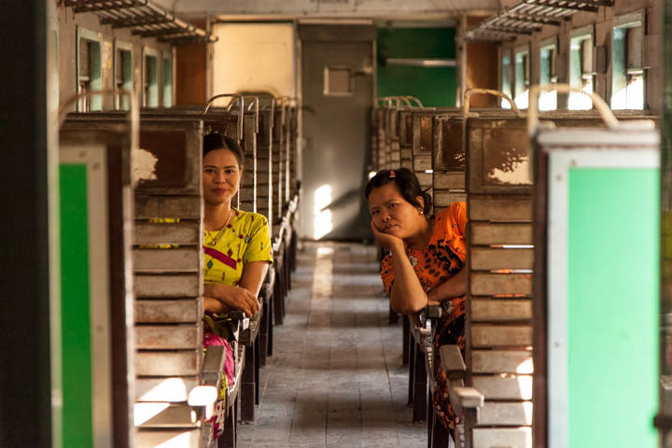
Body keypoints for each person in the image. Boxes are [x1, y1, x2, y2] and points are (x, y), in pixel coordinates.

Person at [365, 167, 467, 435]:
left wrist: (434, 295)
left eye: (392, 205)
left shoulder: (456, 217)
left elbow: (488, 267)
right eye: (376, 212)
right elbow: (411, 304)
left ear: (418, 203)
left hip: (498, 314)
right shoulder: (391, 266)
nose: (384, 216)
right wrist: (396, 247)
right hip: (453, 336)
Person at [201, 132, 273, 437]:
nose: (221, 179)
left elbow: (245, 301)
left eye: (229, 170)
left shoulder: (254, 227)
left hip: (215, 333)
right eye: (209, 170)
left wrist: (195, 296)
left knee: (204, 379)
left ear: (241, 175)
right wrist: (218, 290)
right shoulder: (168, 226)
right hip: (156, 325)